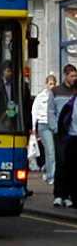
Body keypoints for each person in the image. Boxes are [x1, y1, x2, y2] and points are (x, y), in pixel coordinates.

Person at [48, 64, 77, 208]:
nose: (74, 78)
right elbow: (51, 111)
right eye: (72, 76)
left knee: (71, 165)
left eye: (75, 76)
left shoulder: (75, 91)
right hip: (61, 133)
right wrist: (54, 128)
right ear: (65, 76)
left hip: (73, 134)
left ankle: (68, 195)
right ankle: (58, 195)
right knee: (61, 163)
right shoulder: (55, 91)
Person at [32, 74, 57, 185]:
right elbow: (34, 111)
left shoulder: (56, 96)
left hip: (54, 125)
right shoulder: (40, 96)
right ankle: (52, 176)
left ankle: (47, 171)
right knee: (51, 150)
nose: (52, 86)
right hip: (43, 125)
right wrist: (33, 127)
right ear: (46, 84)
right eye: (50, 83)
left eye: (53, 84)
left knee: (50, 151)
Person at [0, 61, 19, 129]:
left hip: (13, 119)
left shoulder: (16, 86)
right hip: (0, 119)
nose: (10, 73)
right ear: (2, 72)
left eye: (11, 71)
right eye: (8, 71)